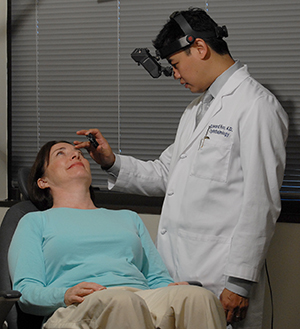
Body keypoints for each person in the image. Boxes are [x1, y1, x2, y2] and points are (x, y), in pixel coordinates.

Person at [74, 7, 289, 329]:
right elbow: (166, 174)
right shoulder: (197, 110)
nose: (175, 75)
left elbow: (262, 202)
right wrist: (110, 161)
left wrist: (240, 283)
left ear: (200, 48)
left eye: (175, 64)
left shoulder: (256, 106)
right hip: (177, 274)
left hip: (220, 276)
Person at [8, 141, 226, 329]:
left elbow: (157, 278)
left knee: (199, 298)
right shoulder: (34, 221)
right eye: (60, 154)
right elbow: (26, 291)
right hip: (77, 308)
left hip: (141, 298)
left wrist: (172, 289)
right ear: (43, 181)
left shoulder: (128, 218)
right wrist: (64, 294)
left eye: (79, 154)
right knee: (122, 302)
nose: (75, 154)